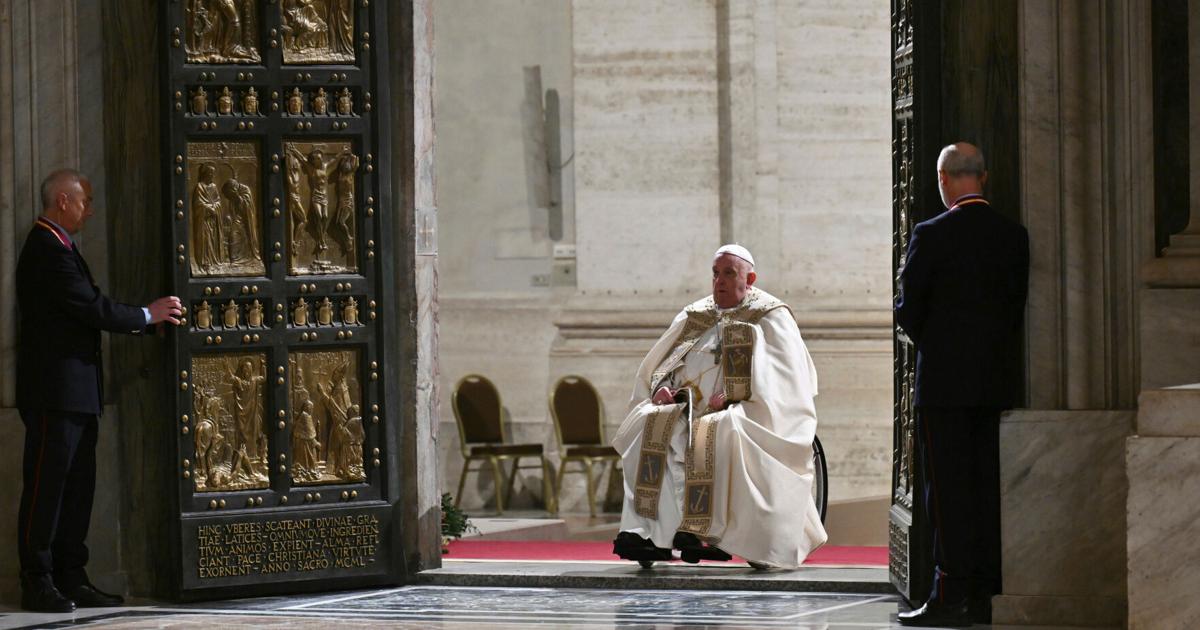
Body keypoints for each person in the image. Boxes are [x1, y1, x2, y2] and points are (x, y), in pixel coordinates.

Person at [15, 169, 182, 612]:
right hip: (54, 393)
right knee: (47, 488)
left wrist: (147, 321)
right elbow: (89, 307)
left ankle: (71, 575)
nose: (90, 209)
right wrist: (146, 316)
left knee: (77, 489)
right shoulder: (44, 248)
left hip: (77, 392)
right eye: (85, 200)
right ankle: (38, 579)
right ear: (63, 201)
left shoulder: (61, 245)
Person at [611, 245, 827, 569]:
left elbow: (788, 381)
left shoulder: (770, 315)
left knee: (720, 429)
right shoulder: (696, 314)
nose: (719, 281)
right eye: (715, 273)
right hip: (685, 409)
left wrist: (736, 396)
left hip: (745, 411)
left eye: (729, 273)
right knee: (649, 421)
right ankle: (649, 534)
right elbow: (661, 363)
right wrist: (660, 389)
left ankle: (705, 531)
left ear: (749, 278)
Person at [895, 143, 1029, 627]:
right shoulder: (1014, 236)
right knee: (989, 485)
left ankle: (951, 594)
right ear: (984, 177)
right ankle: (989, 592)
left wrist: (943, 345)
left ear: (943, 180)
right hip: (995, 382)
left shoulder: (931, 234)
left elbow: (908, 311)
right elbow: (1016, 309)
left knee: (948, 492)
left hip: (945, 387)